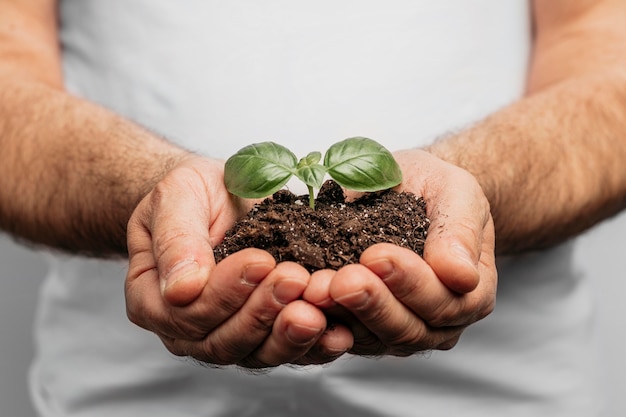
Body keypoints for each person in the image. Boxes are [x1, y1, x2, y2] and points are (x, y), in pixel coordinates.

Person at [0, 0, 624, 415]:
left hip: (505, 398)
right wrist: (151, 193)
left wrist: (471, 192)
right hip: (124, 399)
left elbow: (607, 62)